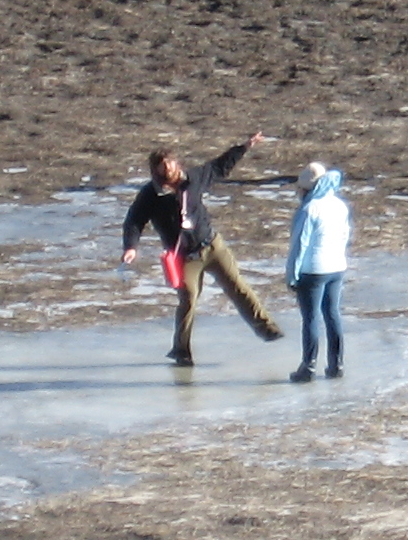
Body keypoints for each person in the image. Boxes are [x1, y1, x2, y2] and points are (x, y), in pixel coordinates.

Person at [120, 134, 286, 366]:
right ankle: (181, 350)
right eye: (163, 167)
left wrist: (244, 147)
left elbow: (219, 167)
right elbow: (134, 221)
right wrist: (130, 246)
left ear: (177, 163)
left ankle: (266, 329)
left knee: (238, 287)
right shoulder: (150, 195)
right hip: (184, 258)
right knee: (188, 300)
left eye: (171, 164)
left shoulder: (193, 179)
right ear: (155, 170)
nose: (169, 169)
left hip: (213, 246)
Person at [284, 162, 350, 383]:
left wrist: (292, 275)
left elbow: (299, 244)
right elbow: (345, 235)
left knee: (311, 318)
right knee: (332, 314)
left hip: (313, 270)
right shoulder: (340, 205)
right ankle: (336, 365)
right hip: (337, 267)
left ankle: (308, 367)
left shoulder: (309, 209)